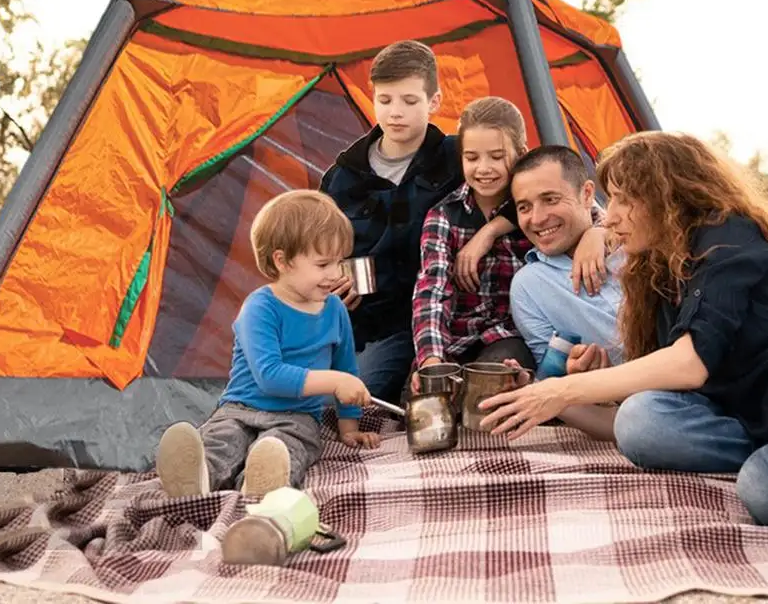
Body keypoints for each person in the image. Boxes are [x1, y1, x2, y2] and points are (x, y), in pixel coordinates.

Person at [480, 132, 768, 526]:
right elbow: (625, 419)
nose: (609, 216)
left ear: (670, 197)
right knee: (640, 419)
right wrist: (539, 397)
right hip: (757, 420)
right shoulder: (656, 270)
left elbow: (689, 365)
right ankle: (767, 455)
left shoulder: (725, 240)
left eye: (625, 200)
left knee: (766, 488)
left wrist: (559, 388)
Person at [155, 190, 380, 502]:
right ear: (282, 261)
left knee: (285, 447)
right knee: (224, 440)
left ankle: (262, 485)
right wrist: (336, 382)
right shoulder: (260, 307)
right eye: (323, 264)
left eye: (339, 262)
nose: (335, 274)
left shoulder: (335, 310)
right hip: (240, 408)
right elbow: (270, 375)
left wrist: (348, 427)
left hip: (297, 417)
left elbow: (346, 368)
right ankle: (196, 479)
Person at [320, 40, 514, 402]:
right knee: (325, 395)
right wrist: (330, 278)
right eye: (385, 100)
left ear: (434, 102)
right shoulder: (341, 176)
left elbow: (530, 186)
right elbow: (315, 246)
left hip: (441, 320)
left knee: (356, 400)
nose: (396, 113)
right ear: (372, 97)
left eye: (410, 101)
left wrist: (488, 231)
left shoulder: (462, 156)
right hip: (364, 325)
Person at [411, 97, 535, 389]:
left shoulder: (538, 202)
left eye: (496, 156)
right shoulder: (443, 216)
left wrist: (595, 235)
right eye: (472, 158)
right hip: (455, 339)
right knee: (425, 402)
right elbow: (432, 290)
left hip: (509, 337)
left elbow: (589, 214)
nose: (484, 168)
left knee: (488, 389)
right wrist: (431, 359)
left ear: (521, 154)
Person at [508, 145, 623, 370]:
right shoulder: (530, 287)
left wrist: (601, 232)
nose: (537, 218)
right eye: (524, 207)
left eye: (550, 199)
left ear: (587, 194)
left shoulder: (635, 242)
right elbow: (553, 375)